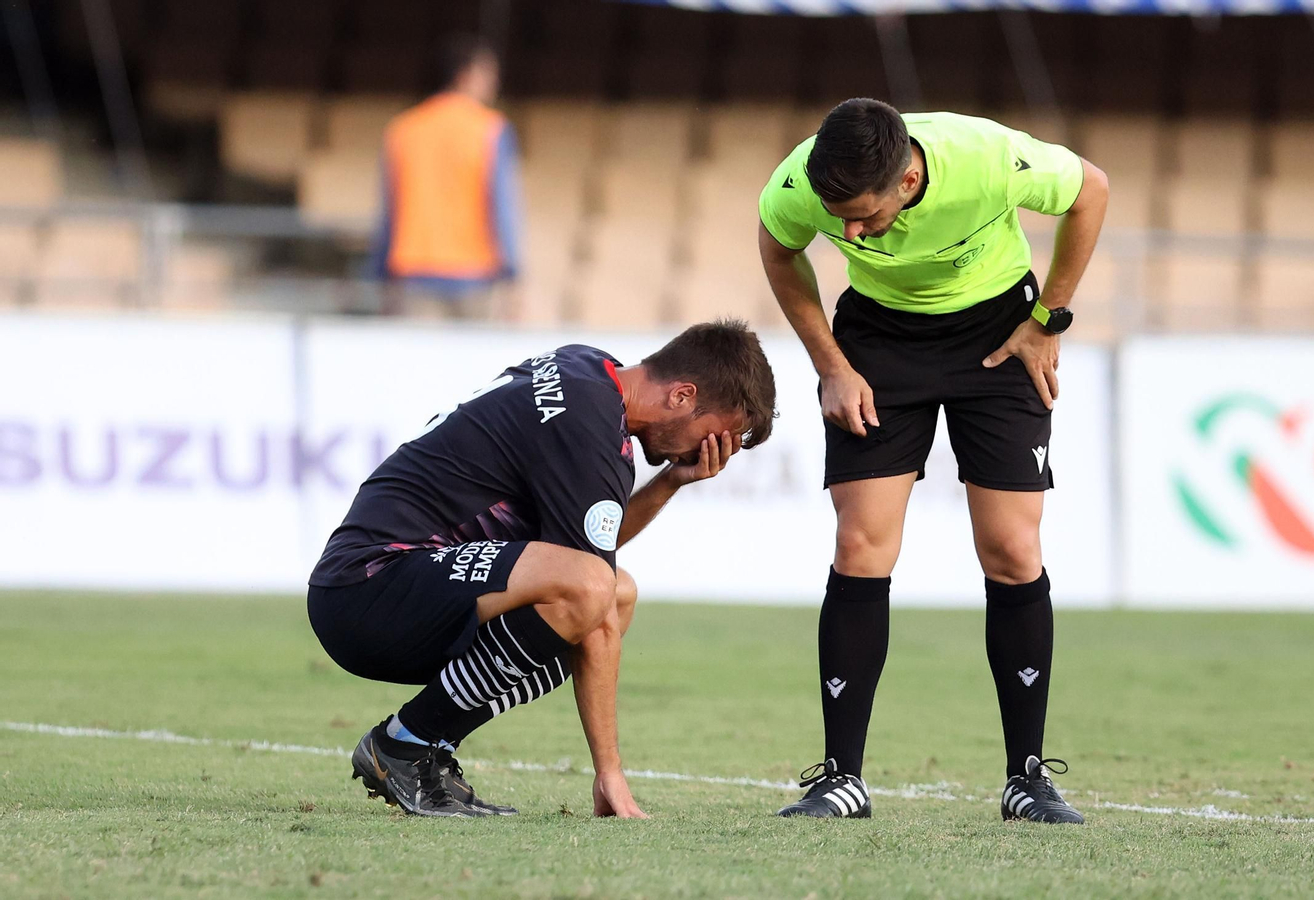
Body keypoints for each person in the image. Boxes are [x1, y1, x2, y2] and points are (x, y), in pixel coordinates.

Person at [757, 99, 1109, 823]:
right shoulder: (800, 181)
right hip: (879, 343)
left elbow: (1091, 191)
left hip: (998, 335)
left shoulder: (985, 157)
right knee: (860, 543)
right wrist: (831, 364)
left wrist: (1049, 322)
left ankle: (1028, 778)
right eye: (839, 218)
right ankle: (840, 780)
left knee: (1012, 547)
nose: (848, 234)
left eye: (862, 216)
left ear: (909, 179)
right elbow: (777, 247)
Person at [307, 320, 777, 818]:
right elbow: (584, 588)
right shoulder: (590, 427)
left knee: (615, 592)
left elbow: (581, 556)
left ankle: (426, 746)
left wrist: (670, 481)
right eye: (716, 434)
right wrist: (610, 773)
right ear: (682, 396)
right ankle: (405, 743)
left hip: (381, 584)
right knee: (598, 593)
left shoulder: (588, 372)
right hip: (369, 587)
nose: (709, 451)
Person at [371, 35, 522, 319]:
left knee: (417, 362)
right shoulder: (492, 130)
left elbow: (388, 209)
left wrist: (379, 274)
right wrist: (512, 274)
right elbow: (501, 206)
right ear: (466, 74)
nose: (495, 82)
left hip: (413, 271)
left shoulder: (404, 129)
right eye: (489, 73)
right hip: (475, 273)